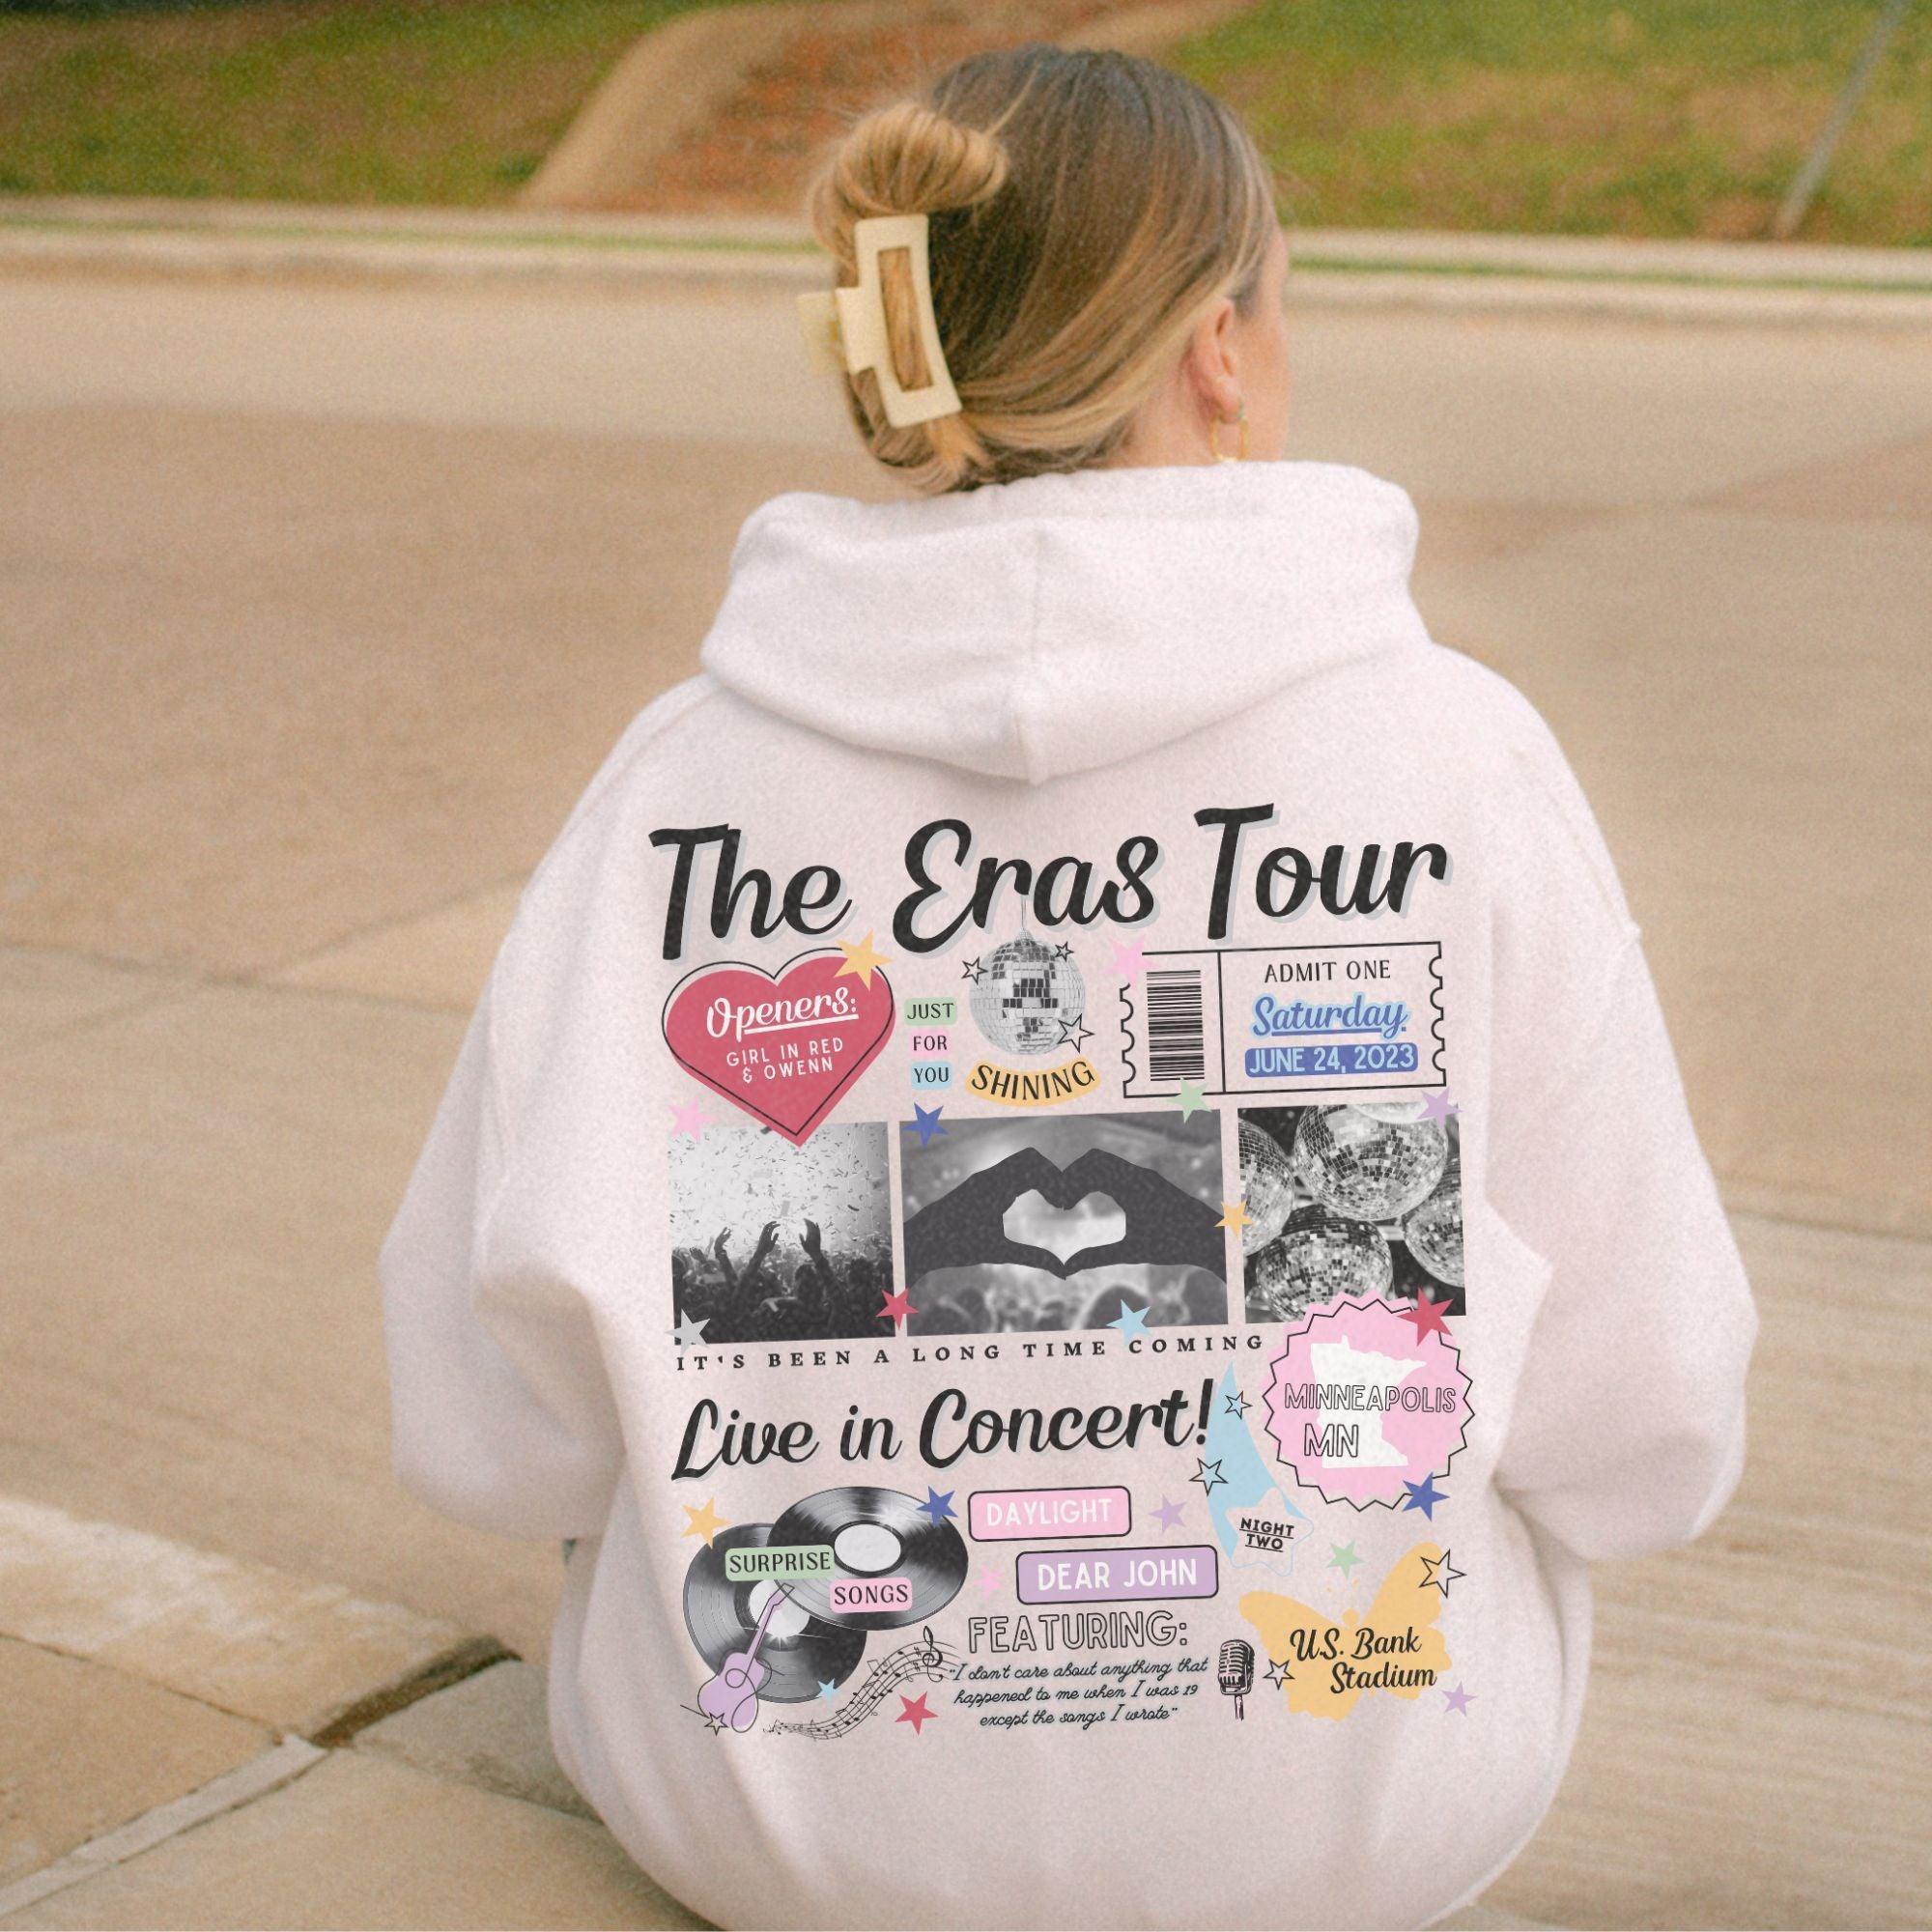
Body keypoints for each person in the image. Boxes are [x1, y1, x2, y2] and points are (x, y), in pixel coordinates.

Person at [382, 43, 1754, 1931]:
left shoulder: (675, 787)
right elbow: (1646, 1420)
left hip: (773, 1837)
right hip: (1353, 1830)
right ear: (1216, 342)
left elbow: (489, 1421)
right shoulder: (1452, 763)